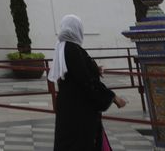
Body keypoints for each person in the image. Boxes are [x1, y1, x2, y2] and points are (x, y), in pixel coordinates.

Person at [50, 14, 126, 151]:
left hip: (69, 107)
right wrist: (112, 97)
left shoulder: (64, 47)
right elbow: (86, 80)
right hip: (79, 110)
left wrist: (95, 70)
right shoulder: (72, 49)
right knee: (79, 143)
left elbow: (75, 73)